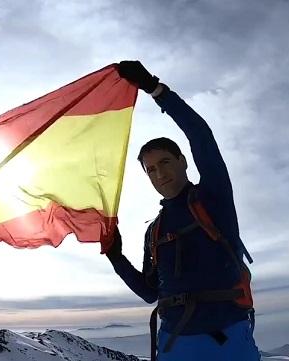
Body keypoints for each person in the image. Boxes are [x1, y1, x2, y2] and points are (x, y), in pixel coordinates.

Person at [106, 60, 261, 361]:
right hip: (174, 345)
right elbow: (151, 292)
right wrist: (116, 257)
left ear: (182, 161)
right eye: (150, 170)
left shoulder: (212, 198)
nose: (159, 174)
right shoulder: (155, 230)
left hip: (227, 342)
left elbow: (201, 135)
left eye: (165, 162)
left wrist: (156, 89)